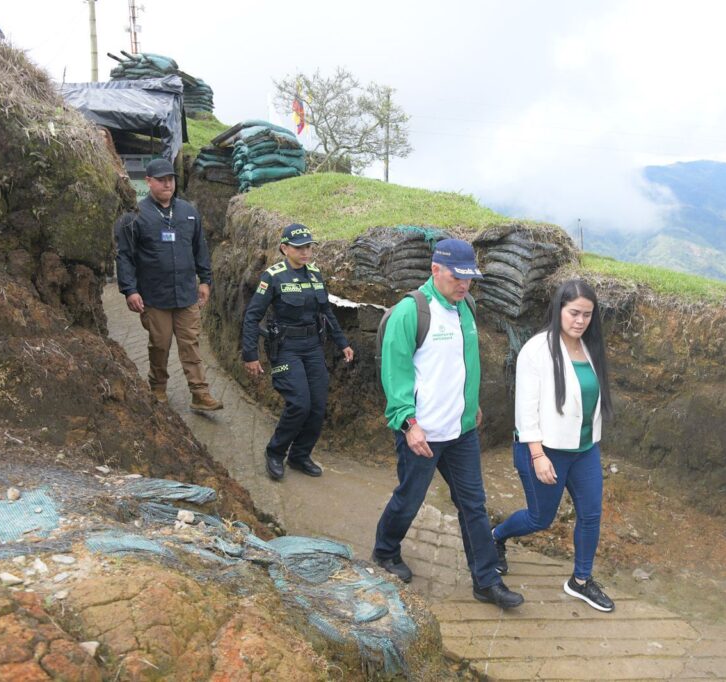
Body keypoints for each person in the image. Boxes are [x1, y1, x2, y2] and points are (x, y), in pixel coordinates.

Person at [372, 239, 524, 610]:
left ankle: (486, 580)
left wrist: (471, 407)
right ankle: (385, 550)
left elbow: (463, 364)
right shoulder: (411, 312)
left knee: (474, 505)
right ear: (435, 270)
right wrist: (408, 424)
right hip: (421, 434)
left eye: (470, 279)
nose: (465, 285)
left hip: (461, 433)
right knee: (409, 499)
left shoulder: (465, 308)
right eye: (458, 278)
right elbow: (396, 375)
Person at [491, 279, 616, 612]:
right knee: (539, 519)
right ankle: (496, 537)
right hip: (544, 450)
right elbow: (525, 409)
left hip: (584, 449)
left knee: (591, 514)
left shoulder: (590, 348)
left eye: (587, 315)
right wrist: (537, 455)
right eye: (574, 313)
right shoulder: (537, 350)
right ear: (559, 309)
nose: (580, 321)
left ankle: (581, 581)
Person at [241, 223, 354, 481]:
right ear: (284, 248)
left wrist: (343, 342)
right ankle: (275, 452)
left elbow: (326, 312)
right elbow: (252, 316)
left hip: (313, 346)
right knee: (299, 404)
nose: (306, 252)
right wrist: (250, 354)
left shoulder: (315, 274)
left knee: (317, 406)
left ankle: (300, 456)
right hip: (285, 349)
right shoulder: (272, 276)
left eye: (309, 247)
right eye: (299, 248)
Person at [115, 158, 222, 412]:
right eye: (161, 179)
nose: (167, 183)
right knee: (160, 345)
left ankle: (200, 393)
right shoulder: (135, 216)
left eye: (171, 179)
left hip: (186, 294)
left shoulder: (188, 212)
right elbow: (125, 256)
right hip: (154, 296)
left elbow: (200, 248)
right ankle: (158, 387)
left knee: (191, 344)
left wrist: (205, 280)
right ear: (148, 182)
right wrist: (130, 290)